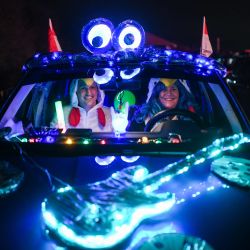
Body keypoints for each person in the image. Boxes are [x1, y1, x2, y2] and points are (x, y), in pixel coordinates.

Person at [127, 78, 198, 131]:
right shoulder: (142, 117)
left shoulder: (191, 114)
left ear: (180, 93)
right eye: (164, 89)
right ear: (157, 94)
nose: (169, 93)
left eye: (173, 89)